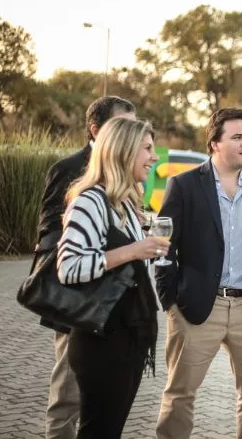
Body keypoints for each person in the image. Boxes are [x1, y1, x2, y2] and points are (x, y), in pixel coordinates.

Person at [155, 107, 242, 439]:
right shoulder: (184, 186)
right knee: (180, 393)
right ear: (214, 143)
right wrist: (170, 301)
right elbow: (163, 246)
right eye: (237, 137)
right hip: (197, 308)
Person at [56, 117, 167, 438]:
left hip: (128, 337)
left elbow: (131, 265)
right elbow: (68, 268)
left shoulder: (126, 204)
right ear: (123, 151)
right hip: (100, 341)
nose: (154, 157)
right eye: (147, 148)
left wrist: (149, 252)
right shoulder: (90, 201)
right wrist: (133, 250)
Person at [35, 96, 135, 439]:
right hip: (78, 300)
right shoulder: (68, 169)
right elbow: (50, 233)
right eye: (123, 126)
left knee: (102, 401)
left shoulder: (127, 170)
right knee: (67, 395)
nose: (131, 135)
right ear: (95, 129)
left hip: (115, 306)